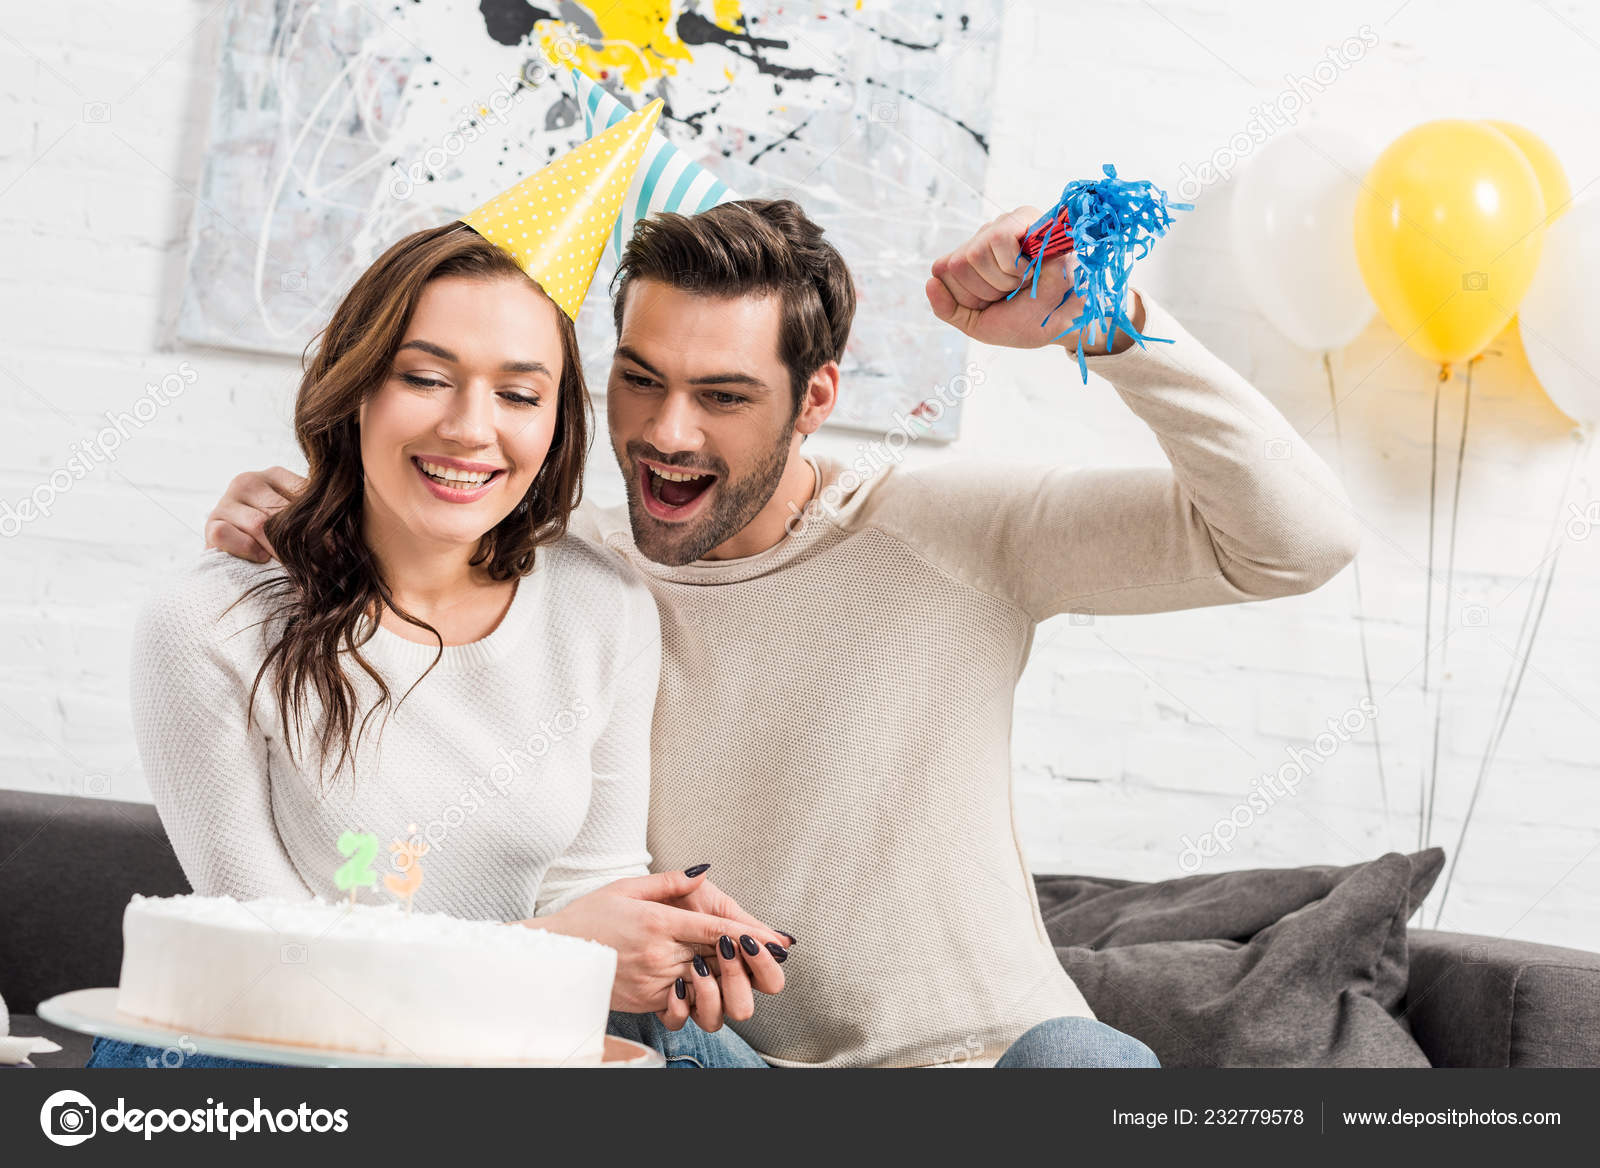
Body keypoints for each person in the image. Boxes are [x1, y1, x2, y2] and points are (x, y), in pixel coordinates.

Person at [205, 198, 1361, 1067]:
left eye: (722, 396)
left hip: (987, 1068)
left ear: (813, 399)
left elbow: (1296, 541)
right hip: (720, 1067)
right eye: (640, 381)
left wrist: (1116, 325)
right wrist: (308, 516)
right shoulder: (560, 575)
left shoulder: (951, 531)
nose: (664, 433)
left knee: (1080, 1065)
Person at [91, 164, 789, 1070]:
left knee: (700, 1055)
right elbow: (272, 958)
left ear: (554, 428)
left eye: (519, 394)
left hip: (503, 1031)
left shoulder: (601, 606)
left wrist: (656, 943)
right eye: (426, 378)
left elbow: (588, 880)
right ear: (358, 388)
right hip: (269, 1046)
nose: (470, 428)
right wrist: (554, 954)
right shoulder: (212, 623)